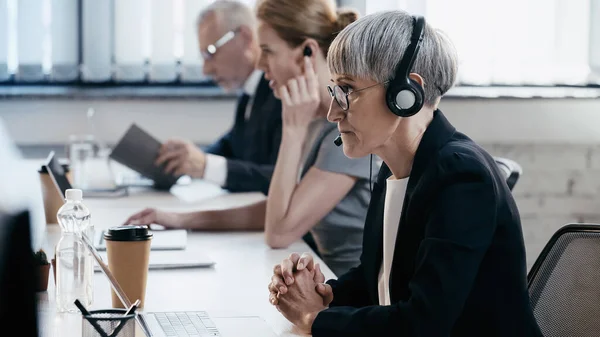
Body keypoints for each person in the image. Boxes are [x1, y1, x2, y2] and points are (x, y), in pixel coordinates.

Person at [267, 10, 543, 336]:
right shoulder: (395, 169)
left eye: (347, 90)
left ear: (406, 94)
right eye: (333, 92)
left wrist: (314, 320)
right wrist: (323, 293)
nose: (332, 113)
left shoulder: (462, 177)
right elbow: (380, 278)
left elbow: (423, 323)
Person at [126, 0, 375, 277]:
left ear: (308, 52)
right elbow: (275, 211)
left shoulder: (345, 125)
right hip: (327, 280)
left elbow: (279, 232)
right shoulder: (317, 118)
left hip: (352, 294)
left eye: (267, 51)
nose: (258, 62)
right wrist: (178, 219)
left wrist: (293, 130)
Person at [155, 0, 282, 195]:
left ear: (246, 37)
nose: (206, 70)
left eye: (211, 53)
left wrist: (206, 166)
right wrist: (186, 158)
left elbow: (281, 179)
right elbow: (232, 145)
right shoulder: (250, 93)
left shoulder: (281, 92)